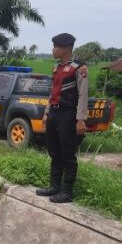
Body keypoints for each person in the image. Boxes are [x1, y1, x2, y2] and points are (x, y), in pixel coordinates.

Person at [36, 33, 88, 203]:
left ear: (66, 48)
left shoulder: (79, 68)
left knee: (67, 153)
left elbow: (82, 95)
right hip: (54, 113)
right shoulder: (56, 68)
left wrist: (80, 119)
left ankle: (67, 191)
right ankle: (55, 186)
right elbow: (53, 93)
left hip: (68, 114)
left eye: (55, 46)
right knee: (54, 151)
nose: (53, 49)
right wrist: (46, 112)